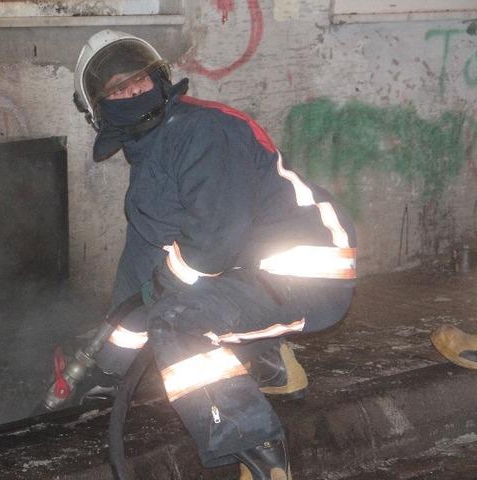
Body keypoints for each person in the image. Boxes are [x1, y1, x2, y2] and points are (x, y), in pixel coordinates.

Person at [73, 30, 357, 479]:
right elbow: (139, 267)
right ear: (98, 110)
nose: (132, 93)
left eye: (139, 82)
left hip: (306, 268)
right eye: (117, 90)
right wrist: (108, 366)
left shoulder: (202, 130)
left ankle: (259, 448)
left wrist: (165, 288)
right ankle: (274, 369)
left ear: (161, 81)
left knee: (177, 320)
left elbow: (211, 246)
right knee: (182, 296)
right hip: (266, 269)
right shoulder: (150, 156)